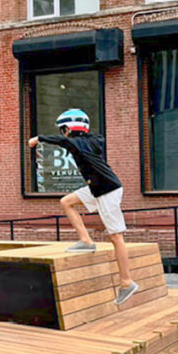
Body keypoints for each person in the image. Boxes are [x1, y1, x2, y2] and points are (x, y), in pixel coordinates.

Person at [28, 108, 138, 306]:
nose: (63, 133)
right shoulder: (94, 140)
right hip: (97, 186)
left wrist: (39, 138)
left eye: (63, 129)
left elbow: (63, 141)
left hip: (107, 190)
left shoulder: (77, 143)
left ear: (70, 128)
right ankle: (86, 241)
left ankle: (126, 282)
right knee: (66, 202)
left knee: (116, 236)